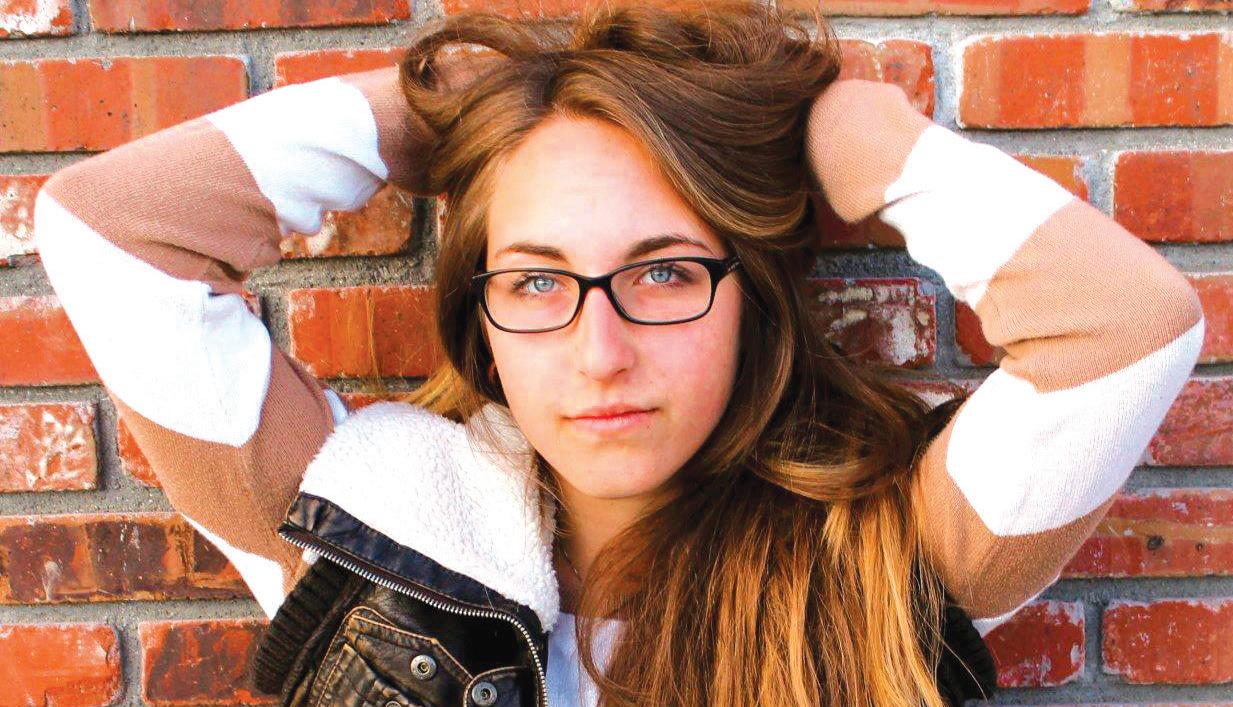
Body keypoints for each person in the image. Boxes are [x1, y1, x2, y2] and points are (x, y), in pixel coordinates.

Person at [32, 3, 1204, 706]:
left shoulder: (884, 559)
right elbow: (109, 234)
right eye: (537, 279)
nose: (602, 353)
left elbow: (1124, 324)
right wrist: (441, 108)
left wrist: (847, 134)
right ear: (483, 320)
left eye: (664, 273)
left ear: (750, 299)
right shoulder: (354, 534)